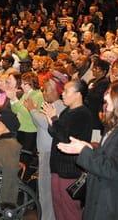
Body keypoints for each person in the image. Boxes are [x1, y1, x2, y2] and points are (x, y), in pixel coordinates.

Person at [57, 79, 118, 220]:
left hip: (116, 205)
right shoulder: (117, 127)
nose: (105, 97)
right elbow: (107, 158)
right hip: (104, 200)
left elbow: (112, 169)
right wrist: (89, 148)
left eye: (110, 94)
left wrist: (84, 151)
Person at [42, 79, 93, 220]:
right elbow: (56, 133)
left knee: (70, 210)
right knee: (58, 206)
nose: (62, 94)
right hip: (58, 166)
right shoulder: (68, 110)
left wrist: (54, 117)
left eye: (66, 91)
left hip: (71, 170)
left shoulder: (82, 114)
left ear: (78, 94)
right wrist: (49, 119)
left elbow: (66, 137)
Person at [26, 73, 67, 220]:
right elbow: (40, 123)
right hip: (45, 152)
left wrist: (32, 109)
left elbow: (44, 123)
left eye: (47, 89)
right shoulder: (50, 105)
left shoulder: (59, 105)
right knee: (44, 191)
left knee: (46, 191)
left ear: (57, 90)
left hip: (50, 152)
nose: (44, 93)